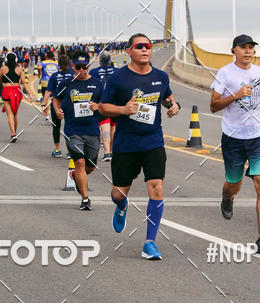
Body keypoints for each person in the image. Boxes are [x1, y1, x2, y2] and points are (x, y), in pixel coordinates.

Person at [99, 33, 180, 260]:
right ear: (129, 51)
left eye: (148, 46)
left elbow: (168, 98)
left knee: (156, 187)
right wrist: (123, 110)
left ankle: (149, 243)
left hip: (153, 142)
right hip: (126, 143)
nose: (145, 49)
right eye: (140, 46)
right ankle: (121, 205)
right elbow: (103, 107)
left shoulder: (161, 77)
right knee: (118, 193)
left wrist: (173, 106)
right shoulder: (118, 78)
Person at [210, 35, 260, 252]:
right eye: (243, 47)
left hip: (258, 135)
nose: (248, 51)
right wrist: (236, 95)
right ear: (233, 51)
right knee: (234, 183)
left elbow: (259, 99)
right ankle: (227, 196)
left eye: (251, 48)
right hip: (233, 138)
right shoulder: (225, 73)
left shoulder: (259, 72)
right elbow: (213, 106)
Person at [53, 52, 102, 211]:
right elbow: (56, 98)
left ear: (89, 66)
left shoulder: (97, 83)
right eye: (79, 67)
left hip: (92, 130)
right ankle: (85, 198)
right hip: (72, 130)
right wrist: (58, 110)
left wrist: (98, 106)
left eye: (85, 67)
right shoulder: (67, 83)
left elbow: (105, 102)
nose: (82, 70)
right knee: (79, 162)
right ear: (73, 66)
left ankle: (76, 176)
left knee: (90, 167)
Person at [43, 54, 73, 157]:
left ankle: (57, 150)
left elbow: (48, 91)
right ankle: (70, 151)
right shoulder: (73, 75)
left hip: (57, 103)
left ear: (58, 65)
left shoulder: (54, 76)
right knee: (69, 126)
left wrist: (44, 104)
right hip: (70, 103)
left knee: (56, 126)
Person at [90, 50, 117, 162]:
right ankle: (113, 151)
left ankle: (107, 152)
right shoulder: (117, 71)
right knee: (113, 128)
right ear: (110, 61)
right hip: (115, 103)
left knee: (105, 127)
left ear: (100, 61)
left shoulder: (94, 72)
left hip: (101, 102)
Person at [0, 52, 30, 141]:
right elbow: (24, 82)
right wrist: (29, 94)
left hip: (7, 90)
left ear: (6, 59)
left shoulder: (3, 69)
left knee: (9, 114)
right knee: (15, 113)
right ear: (16, 59)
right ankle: (14, 133)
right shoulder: (19, 69)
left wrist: (2, 84)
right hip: (17, 91)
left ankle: (13, 133)